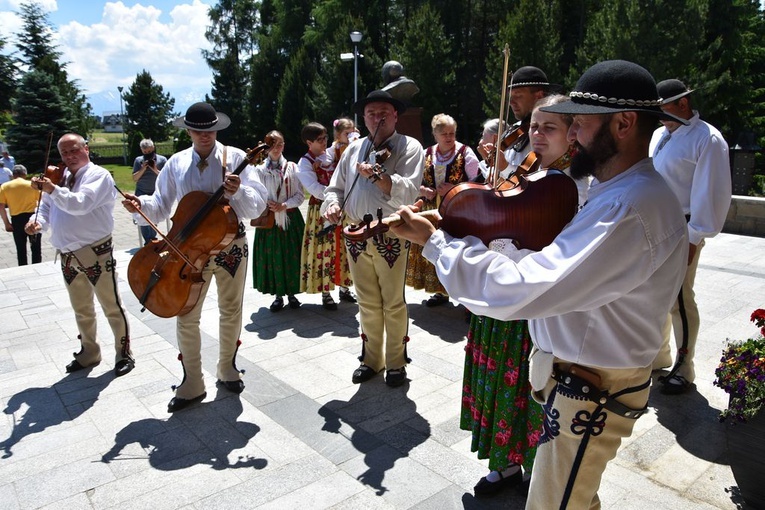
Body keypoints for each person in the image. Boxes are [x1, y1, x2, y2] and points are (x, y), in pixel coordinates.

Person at [390, 60, 689, 509]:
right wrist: (467, 227)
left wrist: (438, 245)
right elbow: (551, 263)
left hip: (591, 389)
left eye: (580, 124)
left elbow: (524, 288)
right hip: (579, 381)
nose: (572, 136)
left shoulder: (628, 206)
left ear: (624, 124)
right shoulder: (619, 191)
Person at [463, 94, 588, 497]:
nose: (536, 134)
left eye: (548, 127)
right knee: (498, 381)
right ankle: (504, 465)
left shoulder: (581, 185)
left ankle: (536, 469)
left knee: (529, 387)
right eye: (534, 126)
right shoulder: (525, 170)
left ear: (574, 134)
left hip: (536, 304)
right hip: (501, 294)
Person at [121, 102, 268, 412]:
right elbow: (160, 206)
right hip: (186, 252)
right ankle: (192, 382)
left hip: (231, 246)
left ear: (217, 129)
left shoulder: (238, 158)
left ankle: (227, 367)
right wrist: (141, 207)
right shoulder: (175, 164)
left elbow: (257, 207)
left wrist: (238, 191)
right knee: (186, 314)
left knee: (231, 309)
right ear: (188, 131)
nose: (205, 136)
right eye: (199, 131)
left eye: (210, 130)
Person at [322, 89, 424, 387]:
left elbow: (409, 189)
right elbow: (334, 188)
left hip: (390, 232)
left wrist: (379, 177)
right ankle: (371, 359)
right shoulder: (353, 149)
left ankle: (395, 362)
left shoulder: (409, 146)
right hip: (355, 232)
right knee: (366, 300)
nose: (377, 118)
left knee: (392, 301)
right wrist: (332, 205)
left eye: (383, 113)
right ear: (363, 118)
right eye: (371, 114)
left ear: (395, 115)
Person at [25, 133, 134, 377]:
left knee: (112, 305)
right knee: (81, 308)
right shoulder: (59, 176)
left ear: (86, 148)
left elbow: (81, 203)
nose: (69, 157)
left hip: (95, 251)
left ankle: (124, 353)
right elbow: (45, 206)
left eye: (74, 150)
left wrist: (52, 188)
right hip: (67, 254)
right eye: (64, 153)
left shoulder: (98, 176)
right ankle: (89, 352)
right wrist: (36, 222)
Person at [649, 79, 732, 394]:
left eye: (663, 108)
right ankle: (659, 357)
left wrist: (694, 237)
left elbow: (711, 193)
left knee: (680, 298)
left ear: (682, 104)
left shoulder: (707, 139)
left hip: (682, 228)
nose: (658, 116)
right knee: (656, 296)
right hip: (654, 226)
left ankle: (685, 366)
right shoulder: (661, 135)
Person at [405, 113, 479, 307]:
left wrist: (455, 187)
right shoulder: (426, 153)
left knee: (456, 250)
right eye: (444, 133)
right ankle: (439, 291)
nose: (449, 137)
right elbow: (411, 180)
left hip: (456, 209)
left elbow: (478, 180)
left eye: (452, 133)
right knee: (433, 247)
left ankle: (462, 293)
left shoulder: (465, 152)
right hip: (431, 210)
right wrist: (423, 190)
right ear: (435, 135)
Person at [296, 122, 355, 310]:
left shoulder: (330, 153)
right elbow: (314, 189)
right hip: (321, 211)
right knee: (324, 249)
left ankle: (345, 287)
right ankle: (326, 292)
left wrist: (349, 136)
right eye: (320, 140)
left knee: (344, 246)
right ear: (309, 142)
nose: (324, 142)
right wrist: (336, 195)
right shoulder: (304, 163)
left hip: (341, 207)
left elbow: (342, 149)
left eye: (325, 138)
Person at [251, 130, 305, 312]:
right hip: (269, 220)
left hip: (290, 217)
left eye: (280, 144)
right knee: (273, 257)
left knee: (292, 256)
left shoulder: (292, 167)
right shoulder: (259, 170)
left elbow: (299, 195)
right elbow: (255, 195)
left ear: (284, 145)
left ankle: (292, 294)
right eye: (272, 144)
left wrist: (285, 205)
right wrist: (268, 204)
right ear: (266, 147)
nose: (276, 148)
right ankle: (278, 296)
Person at [501, 66, 552, 175]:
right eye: (510, 97)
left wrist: (505, 167)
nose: (511, 102)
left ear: (539, 96)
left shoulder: (551, 133)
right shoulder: (514, 130)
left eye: (518, 96)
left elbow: (538, 177)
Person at [0, 164, 42, 265]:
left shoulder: (4, 187)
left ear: (13, 174)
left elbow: (1, 207)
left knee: (20, 248)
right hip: (32, 218)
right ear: (25, 174)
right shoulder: (32, 185)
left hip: (16, 220)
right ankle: (37, 266)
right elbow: (41, 202)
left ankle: (23, 267)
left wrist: (7, 223)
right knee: (36, 247)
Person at [131, 138, 167, 245]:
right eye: (145, 152)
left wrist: (154, 168)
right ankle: (149, 241)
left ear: (153, 148)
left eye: (149, 152)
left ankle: (152, 238)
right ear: (142, 150)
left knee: (153, 216)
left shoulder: (162, 160)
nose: (148, 154)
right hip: (141, 192)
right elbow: (135, 178)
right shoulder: (138, 160)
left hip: (156, 192)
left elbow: (165, 177)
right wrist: (143, 168)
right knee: (143, 218)